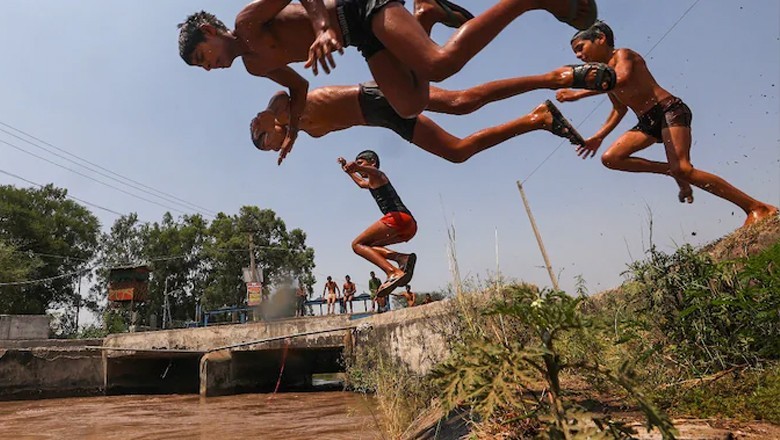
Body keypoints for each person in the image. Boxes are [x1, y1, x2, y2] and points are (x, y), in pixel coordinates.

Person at [178, 0, 601, 163]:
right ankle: (428, 13)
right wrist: (291, 137)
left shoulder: (246, 21)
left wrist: (323, 26)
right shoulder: (254, 67)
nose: (209, 67)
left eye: (203, 57)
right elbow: (299, 91)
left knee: (440, 65)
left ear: (210, 32)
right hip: (361, 37)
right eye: (202, 68)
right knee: (410, 104)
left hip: (358, 8)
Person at [556, 21, 778, 228]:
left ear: (601, 39)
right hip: (648, 122)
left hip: (669, 111)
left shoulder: (624, 55)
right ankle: (670, 172)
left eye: (581, 47)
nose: (579, 55)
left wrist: (578, 94)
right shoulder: (605, 76)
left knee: (684, 168)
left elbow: (620, 79)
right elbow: (619, 109)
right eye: (575, 52)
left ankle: (757, 207)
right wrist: (599, 136)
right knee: (611, 158)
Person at [339, 150, 417, 298]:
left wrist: (357, 167)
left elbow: (375, 172)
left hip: (397, 218)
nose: (358, 166)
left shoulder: (379, 176)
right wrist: (349, 171)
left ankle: (392, 272)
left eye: (361, 162)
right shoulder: (372, 182)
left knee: (357, 245)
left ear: (372, 162)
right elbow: (362, 183)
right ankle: (402, 258)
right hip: (409, 226)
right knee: (369, 247)